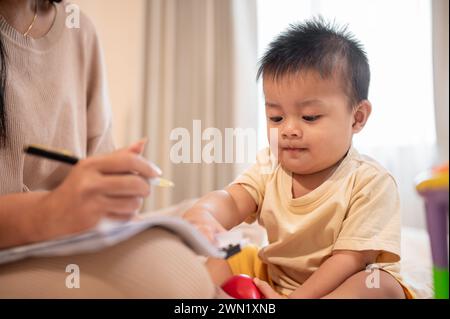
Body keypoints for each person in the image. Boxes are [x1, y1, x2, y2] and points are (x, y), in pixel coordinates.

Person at [183, 18, 415, 299]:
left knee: (377, 283)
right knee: (233, 255)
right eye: (276, 117)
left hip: (340, 284)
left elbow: (349, 260)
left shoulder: (370, 181)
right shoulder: (269, 167)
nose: (289, 129)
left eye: (309, 117)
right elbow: (232, 200)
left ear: (357, 117)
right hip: (278, 279)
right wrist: (203, 213)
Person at [0, 0, 214, 298]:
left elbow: (99, 165)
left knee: (208, 230)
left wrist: (114, 192)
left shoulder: (79, 29)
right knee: (175, 282)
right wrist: (51, 211)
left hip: (71, 239)